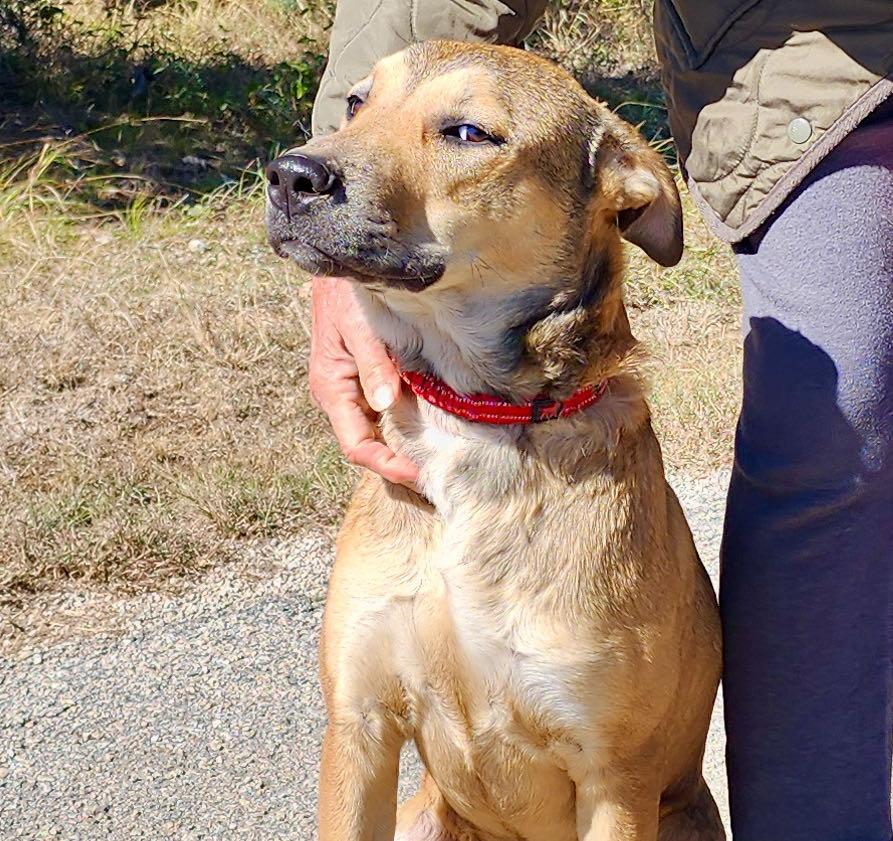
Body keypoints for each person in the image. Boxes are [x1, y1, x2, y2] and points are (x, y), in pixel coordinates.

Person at [305, 2, 893, 838]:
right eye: (362, 106)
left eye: (464, 133)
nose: (329, 156)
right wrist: (343, 255)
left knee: (836, 440)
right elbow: (357, 735)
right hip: (797, 40)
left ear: (616, 193)